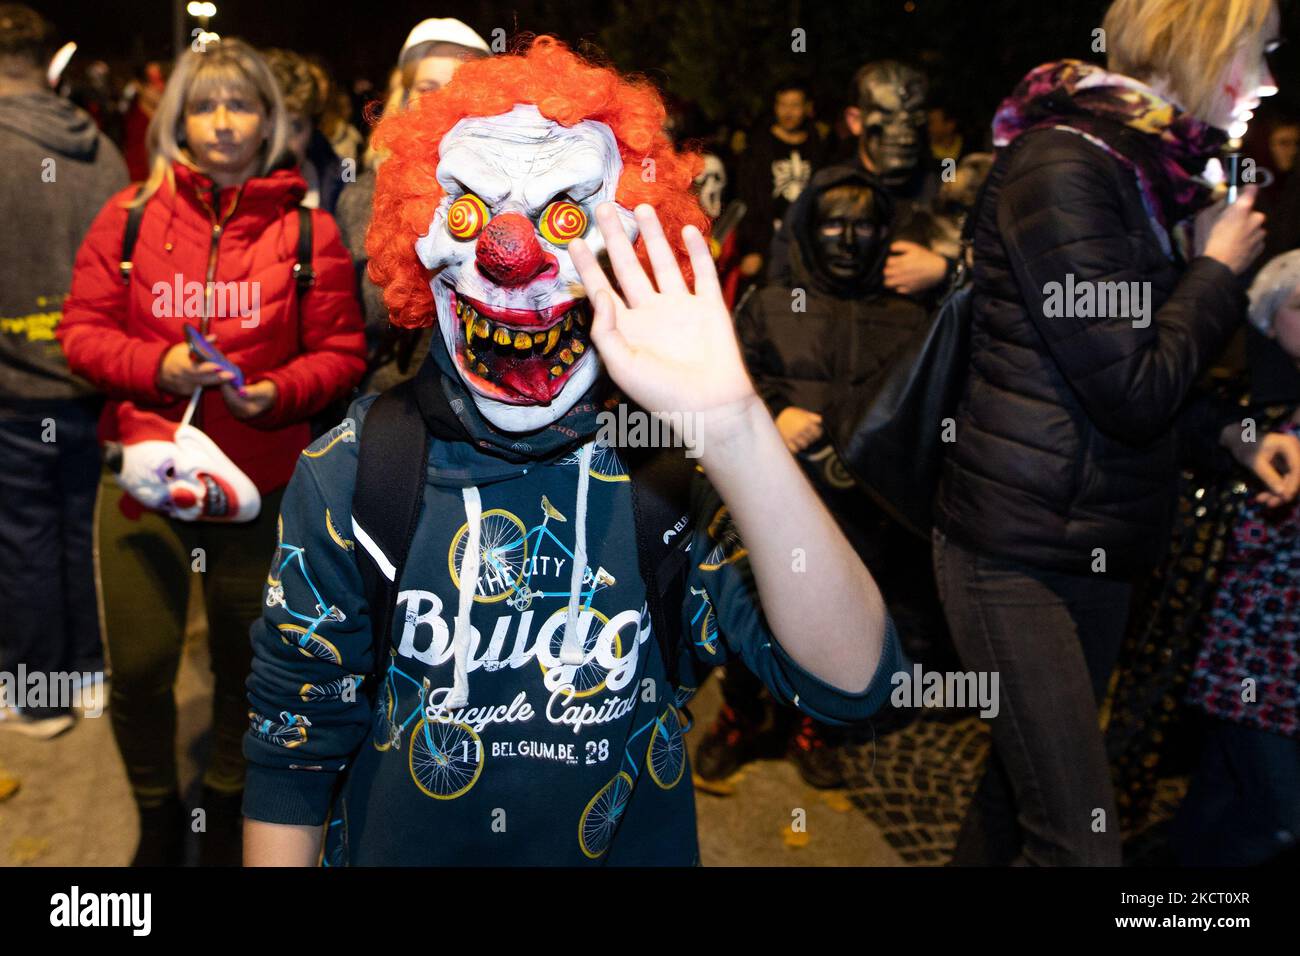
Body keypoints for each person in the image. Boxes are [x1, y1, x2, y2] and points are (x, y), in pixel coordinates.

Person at [241, 38, 904, 866]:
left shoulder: (676, 475)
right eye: (471, 211)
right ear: (421, 234)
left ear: (637, 242)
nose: (507, 255)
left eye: (565, 215)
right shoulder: (350, 471)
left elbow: (854, 685)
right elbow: (292, 752)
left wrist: (734, 428)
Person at [932, 0, 1300, 866]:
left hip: (1092, 539)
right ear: (1200, 43)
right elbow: (1131, 388)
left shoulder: (1147, 168)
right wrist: (1216, 271)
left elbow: (1126, 369)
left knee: (1017, 797)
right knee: (1080, 841)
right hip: (1012, 550)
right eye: (1261, 51)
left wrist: (1235, 438)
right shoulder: (1064, 164)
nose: (1274, 80)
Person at [58, 37, 366, 866]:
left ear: (269, 118)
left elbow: (341, 353)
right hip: (146, 482)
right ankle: (158, 818)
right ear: (178, 119)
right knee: (142, 671)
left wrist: (280, 392)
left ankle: (228, 807)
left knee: (251, 670)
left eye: (241, 104)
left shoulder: (310, 230)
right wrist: (156, 365)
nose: (223, 122)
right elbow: (80, 335)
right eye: (205, 104)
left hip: (261, 489)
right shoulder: (129, 214)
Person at [695, 167, 932, 789]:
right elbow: (724, 380)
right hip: (774, 500)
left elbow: (928, 407)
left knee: (840, 629)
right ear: (807, 229)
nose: (849, 240)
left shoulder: (911, 317)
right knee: (753, 617)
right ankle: (742, 719)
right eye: (833, 224)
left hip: (866, 513)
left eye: (864, 226)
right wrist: (775, 412)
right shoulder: (772, 302)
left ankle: (815, 725)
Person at [0, 3, 126, 738]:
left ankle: (41, 698)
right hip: (91, 380)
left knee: (23, 539)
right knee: (82, 533)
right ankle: (86, 677)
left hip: (15, 388)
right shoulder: (101, 148)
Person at [1173, 250, 1300, 866]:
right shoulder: (1242, 404)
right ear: (1269, 319)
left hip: (1285, 657)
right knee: (1279, 818)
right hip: (1247, 648)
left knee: (1221, 790)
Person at [333, 17, 490, 394]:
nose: (441, 101)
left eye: (459, 86)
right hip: (389, 406)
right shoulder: (361, 196)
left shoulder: (517, 193)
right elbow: (344, 324)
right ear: (404, 98)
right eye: (427, 87)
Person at [733, 82, 826, 287]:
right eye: (783, 104)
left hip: (807, 246)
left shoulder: (818, 146)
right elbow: (747, 199)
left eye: (795, 105)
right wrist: (751, 249)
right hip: (768, 245)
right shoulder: (759, 146)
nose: (788, 112)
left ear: (807, 108)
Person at [263, 48, 341, 213]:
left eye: (295, 127)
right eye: (273, 127)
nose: (282, 143)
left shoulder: (338, 185)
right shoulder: (220, 189)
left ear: (312, 126)